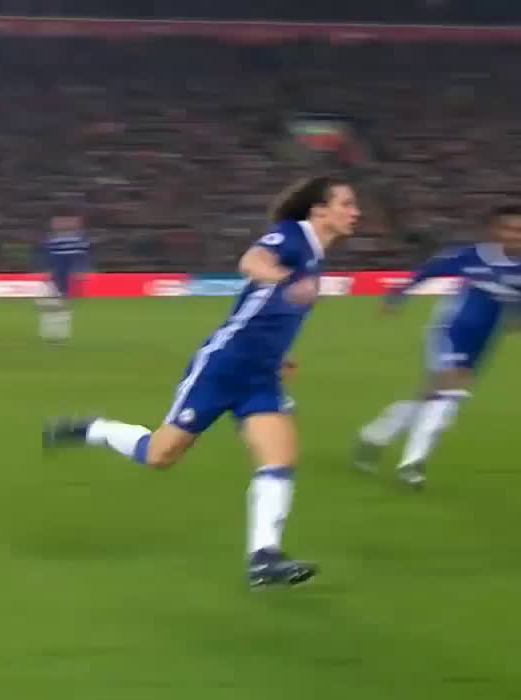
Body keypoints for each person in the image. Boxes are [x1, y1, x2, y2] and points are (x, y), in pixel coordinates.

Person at [43, 177, 360, 587]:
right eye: (346, 204)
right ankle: (94, 429)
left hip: (260, 376)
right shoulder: (291, 235)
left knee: (279, 459)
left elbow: (272, 315)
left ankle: (264, 557)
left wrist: (278, 356)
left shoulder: (315, 258)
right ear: (319, 210)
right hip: (222, 367)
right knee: (160, 455)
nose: (354, 212)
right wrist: (284, 281)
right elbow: (252, 262)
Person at [354, 204, 521, 489]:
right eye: (512, 229)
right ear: (494, 230)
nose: (520, 236)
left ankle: (375, 434)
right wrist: (398, 294)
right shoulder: (471, 256)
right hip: (448, 332)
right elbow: (430, 269)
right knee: (449, 396)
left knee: (431, 398)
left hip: (481, 343)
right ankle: (412, 463)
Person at [37, 212, 89, 342]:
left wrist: (80, 271)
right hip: (56, 278)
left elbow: (80, 257)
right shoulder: (54, 240)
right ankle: (55, 333)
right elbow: (46, 256)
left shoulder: (76, 240)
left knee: (58, 307)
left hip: (64, 278)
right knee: (53, 306)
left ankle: (58, 334)